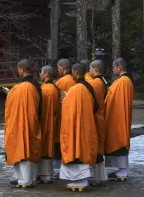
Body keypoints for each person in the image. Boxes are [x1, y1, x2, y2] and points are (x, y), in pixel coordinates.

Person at [60, 63, 98, 191]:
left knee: (76, 151)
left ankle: (78, 181)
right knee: (83, 149)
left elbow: (68, 108)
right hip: (86, 125)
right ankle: (82, 180)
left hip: (76, 126)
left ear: (75, 72)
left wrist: (65, 99)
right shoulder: (88, 87)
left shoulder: (76, 89)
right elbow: (95, 106)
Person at [4, 59, 42, 188]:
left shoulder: (21, 87)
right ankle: (23, 177)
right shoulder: (36, 84)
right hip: (32, 120)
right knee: (28, 148)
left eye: (18, 69)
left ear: (21, 69)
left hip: (21, 122)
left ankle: (25, 179)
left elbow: (15, 104)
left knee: (22, 148)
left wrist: (10, 95)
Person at [104, 58, 135, 182]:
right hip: (122, 115)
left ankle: (122, 171)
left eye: (113, 67)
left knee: (118, 140)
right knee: (121, 140)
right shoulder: (127, 81)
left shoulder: (121, 82)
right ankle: (121, 170)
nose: (112, 70)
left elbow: (111, 99)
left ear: (119, 68)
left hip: (117, 116)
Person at [37, 65, 60, 184]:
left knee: (44, 148)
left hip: (44, 122)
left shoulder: (45, 89)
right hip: (53, 122)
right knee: (48, 147)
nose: (39, 74)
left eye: (41, 72)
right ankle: (46, 174)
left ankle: (44, 174)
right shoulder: (54, 88)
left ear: (46, 74)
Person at [54, 58, 76, 176]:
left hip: (61, 116)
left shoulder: (62, 82)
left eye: (58, 69)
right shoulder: (73, 80)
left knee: (58, 143)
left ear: (62, 68)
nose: (57, 71)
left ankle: (58, 168)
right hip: (70, 116)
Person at [88, 60, 108, 185]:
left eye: (90, 69)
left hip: (96, 117)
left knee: (95, 147)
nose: (89, 72)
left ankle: (97, 177)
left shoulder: (96, 83)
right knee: (99, 146)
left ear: (95, 70)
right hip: (101, 116)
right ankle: (99, 176)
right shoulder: (103, 81)